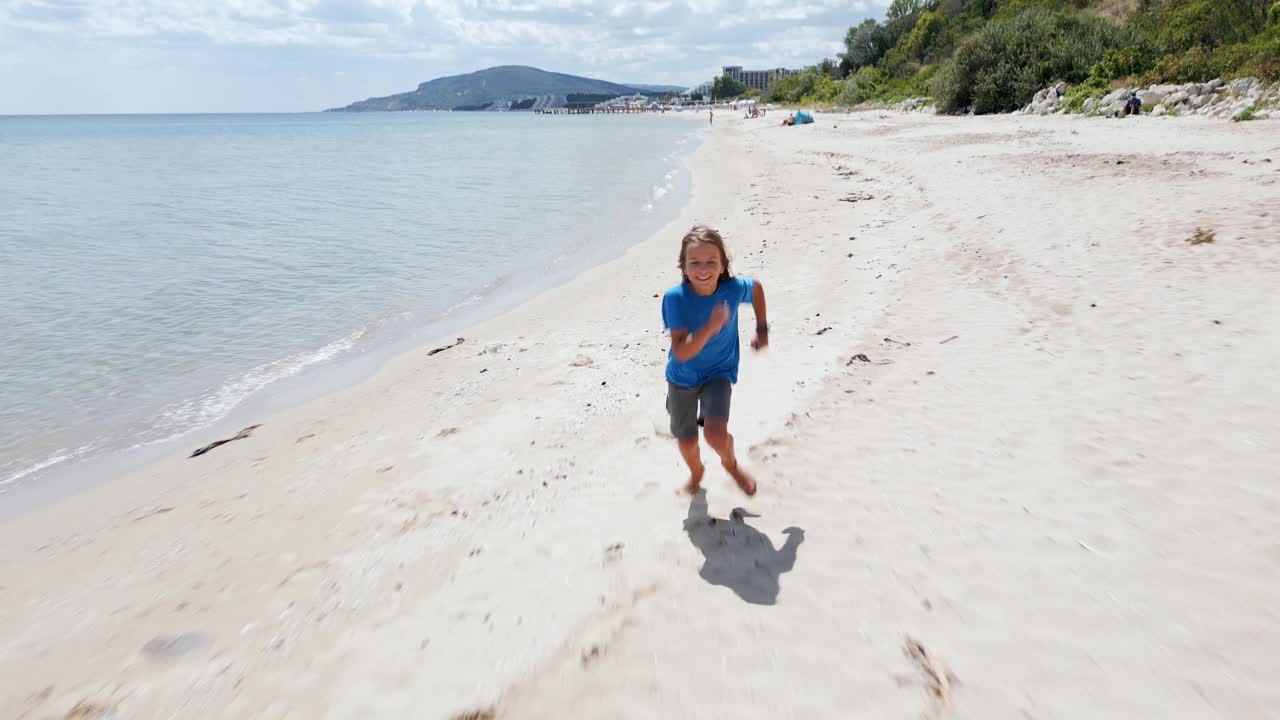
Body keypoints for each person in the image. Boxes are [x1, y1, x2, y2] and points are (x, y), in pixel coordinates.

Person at [661, 225, 769, 497]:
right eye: (694, 262)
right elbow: (682, 352)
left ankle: (731, 465)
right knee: (686, 442)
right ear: (683, 267)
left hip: (719, 373)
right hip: (682, 378)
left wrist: (762, 328)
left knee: (715, 435)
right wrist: (710, 327)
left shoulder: (732, 290)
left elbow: (755, 288)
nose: (703, 268)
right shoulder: (676, 299)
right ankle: (696, 472)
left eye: (711, 261)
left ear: (723, 266)